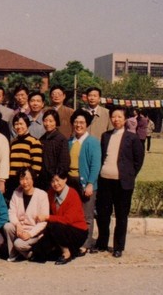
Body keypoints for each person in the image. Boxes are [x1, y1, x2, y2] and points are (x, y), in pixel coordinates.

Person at [94, 107, 145, 258]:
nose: (116, 119)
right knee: (103, 214)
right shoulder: (105, 136)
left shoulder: (132, 138)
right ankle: (102, 243)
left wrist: (129, 175)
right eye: (113, 117)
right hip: (105, 180)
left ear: (125, 119)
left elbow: (139, 160)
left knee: (121, 216)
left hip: (123, 183)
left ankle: (118, 247)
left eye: (119, 117)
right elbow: (102, 156)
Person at [33, 170, 88, 265]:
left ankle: (66, 253)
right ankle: (75, 250)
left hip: (77, 231)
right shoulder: (51, 192)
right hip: (60, 229)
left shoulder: (73, 194)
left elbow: (67, 220)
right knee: (38, 253)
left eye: (58, 180)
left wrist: (47, 217)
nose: (55, 184)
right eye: (52, 181)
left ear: (65, 179)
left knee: (54, 225)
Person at [68, 109, 101, 255]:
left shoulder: (92, 142)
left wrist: (90, 183)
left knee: (87, 216)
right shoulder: (70, 141)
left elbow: (95, 165)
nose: (78, 125)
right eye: (76, 122)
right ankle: (73, 241)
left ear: (87, 124)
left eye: (82, 122)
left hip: (86, 182)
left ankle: (85, 244)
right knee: (73, 214)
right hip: (71, 182)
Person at [3, 168, 49, 261]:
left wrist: (30, 234)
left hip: (34, 232)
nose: (24, 182)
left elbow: (43, 222)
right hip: (20, 230)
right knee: (7, 226)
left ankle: (30, 254)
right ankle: (14, 254)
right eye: (22, 179)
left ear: (33, 179)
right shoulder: (16, 193)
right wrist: (17, 224)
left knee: (18, 244)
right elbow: (11, 212)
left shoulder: (42, 195)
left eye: (27, 179)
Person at [8, 113, 42, 197]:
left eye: (21, 124)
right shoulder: (13, 143)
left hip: (26, 182)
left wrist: (29, 181)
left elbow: (36, 167)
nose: (19, 127)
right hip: (13, 182)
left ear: (27, 124)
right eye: (16, 124)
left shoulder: (34, 142)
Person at [39, 109, 71, 191]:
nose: (47, 124)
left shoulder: (61, 139)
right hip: (42, 179)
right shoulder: (41, 139)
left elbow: (64, 162)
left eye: (51, 121)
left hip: (55, 179)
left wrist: (57, 177)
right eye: (45, 121)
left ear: (56, 122)